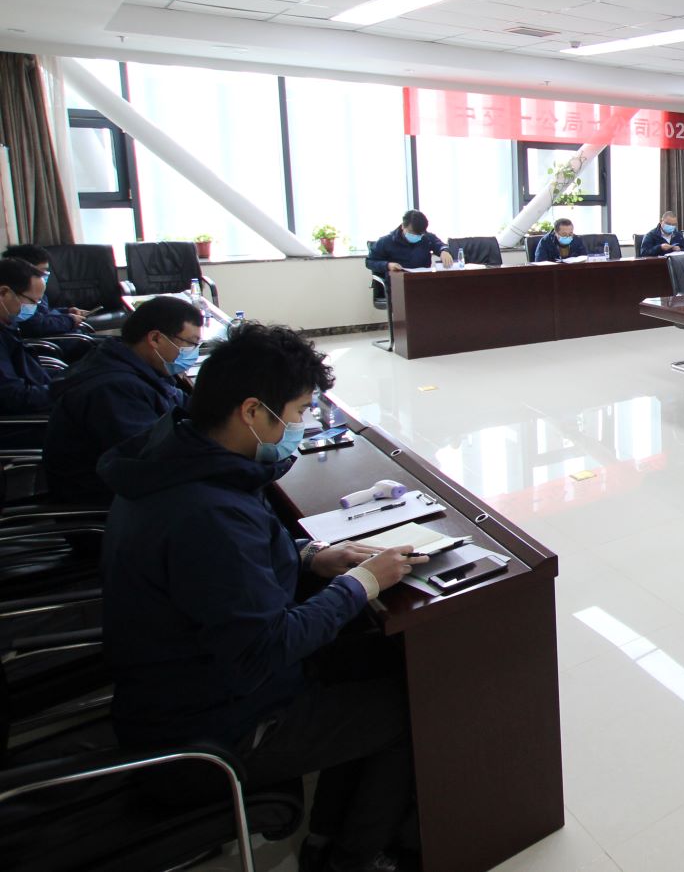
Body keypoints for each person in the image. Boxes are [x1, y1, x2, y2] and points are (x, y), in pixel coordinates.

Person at [100, 323, 426, 872]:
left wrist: (308, 558)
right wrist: (363, 583)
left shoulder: (180, 460)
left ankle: (330, 832)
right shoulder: (204, 513)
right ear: (252, 411)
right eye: (297, 413)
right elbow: (263, 649)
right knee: (413, 703)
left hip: (185, 686)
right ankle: (350, 859)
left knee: (381, 656)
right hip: (210, 730)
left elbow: (225, 570)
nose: (301, 426)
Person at [42, 296, 202, 505]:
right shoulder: (114, 389)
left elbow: (182, 404)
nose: (194, 352)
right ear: (155, 338)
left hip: (130, 487)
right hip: (105, 504)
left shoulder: (133, 364)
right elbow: (151, 462)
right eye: (191, 344)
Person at [0, 257, 53, 413]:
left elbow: (29, 372)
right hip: (24, 420)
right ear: (3, 293)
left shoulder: (7, 324)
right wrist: (65, 391)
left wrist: (72, 379)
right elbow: (13, 397)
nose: (34, 308)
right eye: (32, 302)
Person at [366, 209, 453, 276]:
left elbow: (440, 245)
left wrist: (444, 251)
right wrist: (387, 265)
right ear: (403, 226)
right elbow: (370, 262)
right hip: (397, 284)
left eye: (419, 234)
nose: (416, 236)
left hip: (423, 280)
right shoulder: (386, 241)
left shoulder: (426, 237)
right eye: (411, 232)